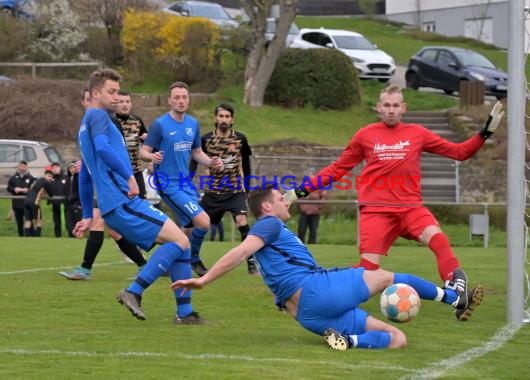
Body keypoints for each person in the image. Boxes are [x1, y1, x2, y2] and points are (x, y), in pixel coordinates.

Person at [171, 185, 484, 351]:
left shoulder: (272, 229)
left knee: (397, 339)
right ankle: (455, 298)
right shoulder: (268, 224)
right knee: (387, 276)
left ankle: (348, 341)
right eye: (281, 199)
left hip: (308, 317)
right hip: (317, 292)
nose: (285, 203)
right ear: (267, 207)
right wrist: (205, 280)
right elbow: (241, 252)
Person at [288, 85, 503, 319]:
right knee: (367, 272)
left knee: (439, 240)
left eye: (395, 106)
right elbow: (337, 170)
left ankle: (456, 290)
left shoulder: (418, 133)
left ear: (403, 108)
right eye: (386, 106)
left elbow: (460, 152)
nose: (391, 110)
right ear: (379, 108)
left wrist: (484, 133)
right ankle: (323, 291)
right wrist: (299, 192)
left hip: (411, 208)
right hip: (376, 211)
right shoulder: (365, 135)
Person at [73, 68, 207, 324]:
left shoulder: (85, 125)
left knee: (181, 243)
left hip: (115, 207)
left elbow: (85, 175)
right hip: (123, 203)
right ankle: (134, 292)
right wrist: (129, 176)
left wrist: (89, 215)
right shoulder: (99, 117)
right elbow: (102, 149)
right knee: (180, 241)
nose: (116, 97)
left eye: (117, 92)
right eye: (111, 92)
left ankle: (185, 313)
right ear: (94, 94)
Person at [59, 89, 148, 281]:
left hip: (118, 182)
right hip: (111, 184)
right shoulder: (87, 125)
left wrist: (130, 177)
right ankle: (145, 265)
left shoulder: (105, 121)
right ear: (84, 101)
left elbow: (107, 150)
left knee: (108, 222)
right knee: (114, 230)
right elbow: (92, 161)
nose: (118, 100)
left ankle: (85, 269)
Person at [141, 82, 223, 278]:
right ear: (169, 100)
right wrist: (151, 157)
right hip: (167, 183)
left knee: (186, 229)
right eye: (176, 97)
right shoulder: (160, 125)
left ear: (188, 99)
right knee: (203, 222)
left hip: (185, 183)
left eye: (184, 97)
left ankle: (166, 264)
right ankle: (193, 259)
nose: (181, 100)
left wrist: (210, 162)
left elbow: (196, 152)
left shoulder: (193, 124)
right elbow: (144, 151)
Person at [189, 103, 257, 275]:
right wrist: (188, 181)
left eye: (227, 116)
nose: (224, 120)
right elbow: (195, 160)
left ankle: (251, 263)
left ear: (232, 119)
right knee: (200, 225)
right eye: (221, 116)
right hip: (213, 192)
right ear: (215, 118)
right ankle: (194, 260)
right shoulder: (206, 139)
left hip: (235, 190)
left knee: (242, 221)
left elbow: (246, 163)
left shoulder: (240, 139)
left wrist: (247, 187)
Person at [113, 91, 148, 199]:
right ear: (116, 103)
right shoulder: (110, 121)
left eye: (127, 101)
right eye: (121, 101)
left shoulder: (137, 121)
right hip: (118, 172)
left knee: (142, 203)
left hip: (136, 171)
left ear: (131, 104)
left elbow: (146, 141)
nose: (125, 104)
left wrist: (147, 139)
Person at [297, 168, 328, 244]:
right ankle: (300, 246)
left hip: (315, 213)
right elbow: (299, 197)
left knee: (313, 232)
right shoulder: (304, 186)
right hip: (304, 213)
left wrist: (319, 207)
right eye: (308, 174)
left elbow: (323, 197)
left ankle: (312, 246)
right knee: (301, 231)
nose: (309, 176)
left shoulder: (319, 186)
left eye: (311, 174)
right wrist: (301, 207)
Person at [7, 160, 35, 236]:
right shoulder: (13, 178)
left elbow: (34, 188)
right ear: (18, 167)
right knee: (19, 222)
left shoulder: (31, 178)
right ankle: (21, 236)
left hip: (27, 204)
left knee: (28, 221)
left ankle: (30, 236)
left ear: (26, 167)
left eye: (24, 166)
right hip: (17, 204)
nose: (22, 168)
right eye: (21, 166)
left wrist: (28, 190)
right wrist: (14, 189)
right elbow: (9, 188)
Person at [23, 169, 54, 237]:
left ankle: (26, 238)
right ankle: (37, 237)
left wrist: (44, 195)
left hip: (26, 201)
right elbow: (51, 193)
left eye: (51, 177)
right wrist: (48, 198)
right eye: (49, 176)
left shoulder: (37, 181)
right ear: (45, 175)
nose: (50, 179)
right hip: (34, 202)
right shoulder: (45, 182)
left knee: (28, 221)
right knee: (38, 221)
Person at [64, 160, 82, 238]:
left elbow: (80, 192)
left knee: (76, 222)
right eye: (70, 168)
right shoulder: (68, 179)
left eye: (74, 168)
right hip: (69, 204)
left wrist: (79, 204)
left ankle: (77, 237)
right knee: (68, 223)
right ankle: (72, 237)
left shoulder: (79, 178)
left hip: (76, 204)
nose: (72, 170)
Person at [49, 162, 67, 237]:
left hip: (65, 203)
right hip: (55, 203)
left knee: (67, 220)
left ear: (60, 168)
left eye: (56, 167)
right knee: (56, 221)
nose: (55, 169)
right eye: (53, 168)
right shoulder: (50, 179)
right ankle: (58, 236)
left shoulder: (65, 177)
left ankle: (70, 234)